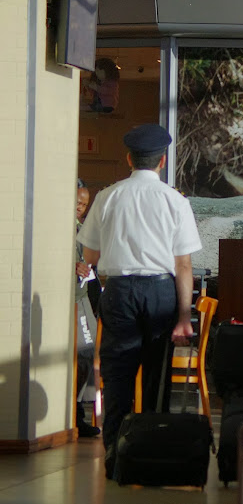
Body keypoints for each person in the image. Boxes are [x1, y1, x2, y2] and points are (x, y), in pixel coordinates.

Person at [76, 124, 202, 479]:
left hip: (119, 291)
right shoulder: (175, 201)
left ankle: (115, 455)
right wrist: (184, 316)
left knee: (117, 374)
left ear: (129, 159)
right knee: (157, 375)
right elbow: (183, 265)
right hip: (161, 292)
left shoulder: (108, 196)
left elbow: (91, 255)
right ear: (162, 161)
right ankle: (150, 451)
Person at [74, 178, 100, 438]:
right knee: (85, 351)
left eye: (84, 204)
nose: (80, 208)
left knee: (90, 352)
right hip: (75, 299)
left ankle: (80, 407)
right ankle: (76, 411)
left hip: (84, 296)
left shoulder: (81, 228)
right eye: (77, 202)